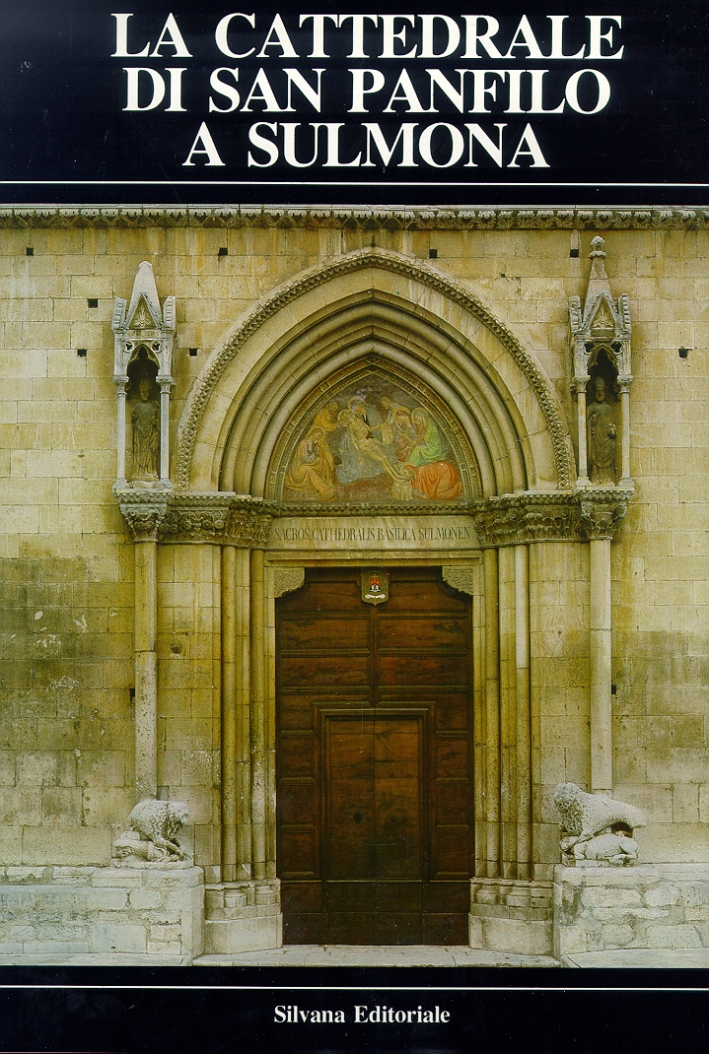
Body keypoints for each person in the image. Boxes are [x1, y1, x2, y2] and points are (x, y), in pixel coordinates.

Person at [285, 426, 336, 499]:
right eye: (317, 435)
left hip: (308, 464)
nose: (318, 438)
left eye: (320, 436)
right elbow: (305, 459)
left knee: (324, 462)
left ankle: (328, 483)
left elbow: (317, 456)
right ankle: (323, 490)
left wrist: (316, 452)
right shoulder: (304, 443)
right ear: (313, 433)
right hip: (298, 469)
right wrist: (314, 455)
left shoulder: (314, 444)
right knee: (308, 469)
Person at [586, 377, 617, 483]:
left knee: (608, 460)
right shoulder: (591, 408)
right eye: (597, 391)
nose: (599, 394)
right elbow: (585, 425)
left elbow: (612, 424)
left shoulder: (609, 409)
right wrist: (591, 422)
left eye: (601, 391)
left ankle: (608, 480)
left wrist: (612, 431)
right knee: (595, 460)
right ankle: (595, 479)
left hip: (606, 440)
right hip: (596, 440)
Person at [131, 378, 159, 480]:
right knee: (139, 452)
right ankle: (139, 473)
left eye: (146, 392)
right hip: (139, 434)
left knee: (151, 452)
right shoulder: (137, 405)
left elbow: (156, 421)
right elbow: (133, 419)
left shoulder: (153, 405)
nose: (144, 394)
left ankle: (150, 471)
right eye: (142, 392)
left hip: (150, 433)